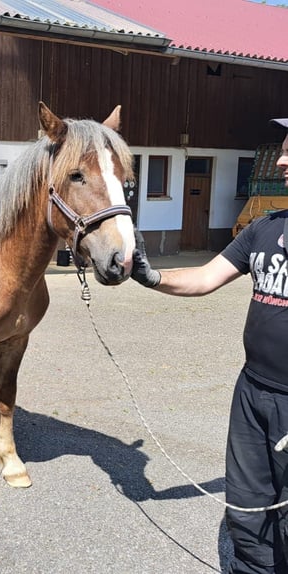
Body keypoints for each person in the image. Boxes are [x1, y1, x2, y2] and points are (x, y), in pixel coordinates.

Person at [131, 117, 288, 574]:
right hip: (253, 393)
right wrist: (151, 275)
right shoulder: (264, 228)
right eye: (282, 148)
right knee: (247, 511)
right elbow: (203, 277)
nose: (280, 159)